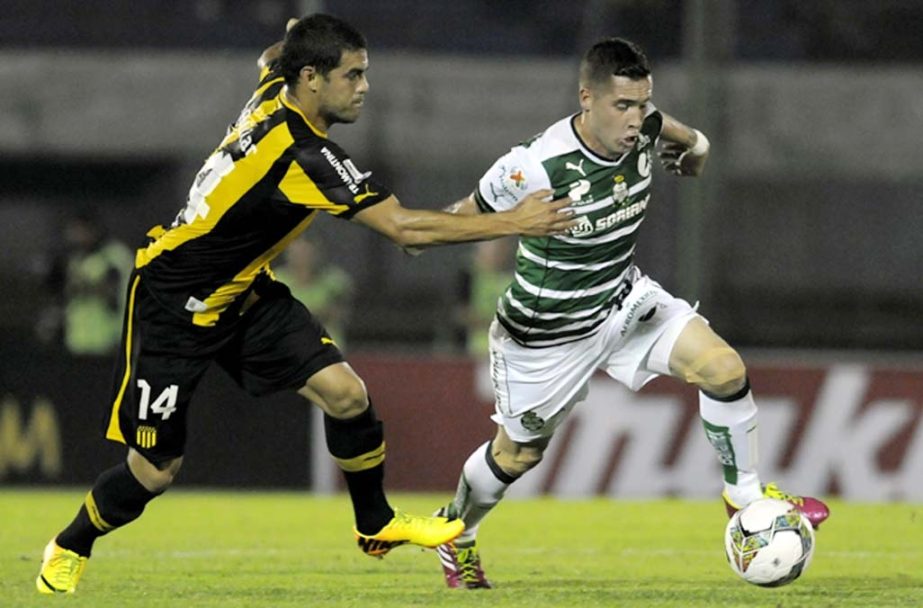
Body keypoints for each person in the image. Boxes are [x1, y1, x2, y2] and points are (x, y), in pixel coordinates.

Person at [35, 14, 575, 595]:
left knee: (347, 395)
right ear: (313, 79)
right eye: (354, 75)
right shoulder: (303, 156)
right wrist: (515, 221)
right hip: (174, 303)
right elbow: (402, 230)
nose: (365, 87)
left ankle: (375, 524)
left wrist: (297, 36)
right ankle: (69, 544)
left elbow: (269, 57)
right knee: (154, 472)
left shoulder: (276, 86)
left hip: (243, 292)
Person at [432, 38, 830, 590]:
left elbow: (676, 131)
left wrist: (698, 146)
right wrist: (511, 222)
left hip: (623, 301)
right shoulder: (533, 166)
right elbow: (449, 223)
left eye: (642, 104)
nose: (635, 119)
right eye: (622, 106)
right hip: (546, 334)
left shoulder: (642, 126)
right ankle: (456, 533)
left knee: (724, 369)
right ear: (586, 99)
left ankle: (744, 498)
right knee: (518, 454)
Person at [35, 210, 133, 356]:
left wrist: (78, 286)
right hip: (78, 342)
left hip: (109, 341)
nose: (75, 236)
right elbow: (64, 295)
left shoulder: (114, 255)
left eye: (80, 230)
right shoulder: (76, 258)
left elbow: (110, 289)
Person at [273, 236, 354, 349]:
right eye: (297, 253)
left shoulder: (335, 281)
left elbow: (339, 313)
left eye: (306, 252)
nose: (302, 258)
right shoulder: (276, 280)